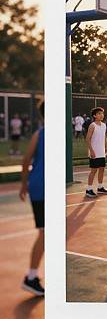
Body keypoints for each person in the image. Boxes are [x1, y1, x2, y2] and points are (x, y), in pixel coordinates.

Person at [19, 101, 45, 296]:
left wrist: (24, 184)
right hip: (42, 188)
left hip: (38, 186)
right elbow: (26, 159)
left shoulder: (40, 134)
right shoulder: (44, 134)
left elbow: (26, 159)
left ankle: (33, 275)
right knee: (45, 233)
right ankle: (31, 277)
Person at [85, 107, 107, 198]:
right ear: (94, 115)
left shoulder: (103, 125)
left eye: (102, 113)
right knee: (93, 171)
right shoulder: (92, 125)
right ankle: (88, 189)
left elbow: (104, 138)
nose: (101, 115)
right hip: (94, 152)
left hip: (101, 152)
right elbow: (87, 139)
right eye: (99, 113)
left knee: (102, 169)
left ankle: (100, 187)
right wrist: (91, 151)